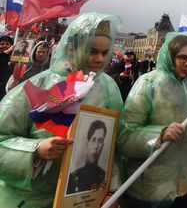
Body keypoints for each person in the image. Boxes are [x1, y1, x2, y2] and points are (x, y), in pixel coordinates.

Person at [0, 13, 124, 207]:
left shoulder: (108, 88)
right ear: (71, 47)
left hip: (81, 199)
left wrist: (110, 189)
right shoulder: (38, 85)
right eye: (92, 51)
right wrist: (36, 150)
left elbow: (114, 146)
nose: (99, 59)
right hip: (29, 201)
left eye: (104, 52)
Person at [117, 32, 187, 208]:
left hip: (185, 185)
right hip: (151, 188)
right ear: (170, 56)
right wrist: (160, 135)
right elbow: (125, 136)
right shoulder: (148, 83)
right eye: (182, 57)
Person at [67, 120, 108, 194]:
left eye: (100, 141)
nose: (96, 146)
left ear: (103, 146)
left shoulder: (105, 176)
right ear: (87, 143)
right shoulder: (72, 177)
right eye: (93, 140)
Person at [0, 35, 14, 99]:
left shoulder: (14, 56)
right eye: (2, 44)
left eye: (7, 44)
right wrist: (7, 51)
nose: (5, 46)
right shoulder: (2, 55)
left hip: (9, 87)